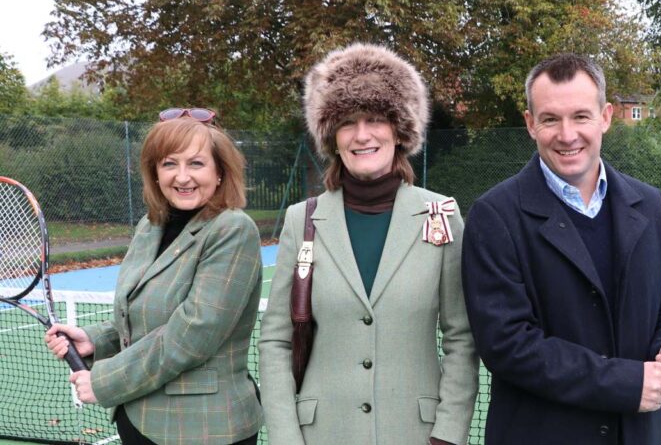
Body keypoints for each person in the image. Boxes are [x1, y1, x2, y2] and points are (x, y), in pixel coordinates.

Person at [461, 54, 661, 445]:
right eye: (551, 119)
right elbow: (508, 345)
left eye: (581, 116)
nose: (567, 134)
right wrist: (627, 383)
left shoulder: (652, 204)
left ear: (605, 117)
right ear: (530, 124)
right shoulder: (494, 216)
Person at [258, 43, 479, 445]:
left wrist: (448, 433)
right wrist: (287, 437)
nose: (362, 135)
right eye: (347, 122)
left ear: (399, 130)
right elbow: (276, 339)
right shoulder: (300, 220)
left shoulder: (442, 216)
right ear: (332, 136)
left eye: (376, 118)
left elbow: (461, 337)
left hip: (417, 435)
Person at [44, 109, 264, 445]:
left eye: (196, 163)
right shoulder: (150, 227)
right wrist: (95, 340)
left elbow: (192, 335)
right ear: (155, 173)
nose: (182, 176)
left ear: (220, 172)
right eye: (169, 163)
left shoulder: (232, 229)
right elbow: (140, 316)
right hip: (139, 421)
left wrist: (106, 380)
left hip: (204, 430)